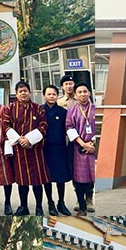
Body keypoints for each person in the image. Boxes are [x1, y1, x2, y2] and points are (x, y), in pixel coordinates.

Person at [2, 80, 49, 216]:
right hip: (19, 150)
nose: (23, 93)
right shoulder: (9, 109)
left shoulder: (38, 108)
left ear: (29, 92)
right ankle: (23, 206)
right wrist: (20, 140)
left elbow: (44, 125)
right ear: (16, 94)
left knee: (37, 181)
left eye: (25, 91)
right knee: (22, 182)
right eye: (20, 91)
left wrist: (29, 139)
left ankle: (39, 207)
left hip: (35, 150)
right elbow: (6, 125)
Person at [65, 83, 98, 216]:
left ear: (89, 93)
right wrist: (83, 144)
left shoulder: (95, 109)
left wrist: (92, 143)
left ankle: (89, 199)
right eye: (80, 92)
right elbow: (69, 127)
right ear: (76, 94)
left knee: (92, 176)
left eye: (85, 91)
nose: (83, 94)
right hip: (78, 148)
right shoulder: (72, 110)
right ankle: (81, 206)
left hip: (94, 147)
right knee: (79, 177)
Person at [41, 85, 73, 216]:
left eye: (54, 94)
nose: (51, 96)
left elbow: (68, 130)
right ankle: (50, 202)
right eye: (49, 94)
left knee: (60, 178)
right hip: (44, 148)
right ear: (44, 95)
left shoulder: (63, 112)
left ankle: (61, 202)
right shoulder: (40, 111)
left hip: (59, 148)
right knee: (46, 178)